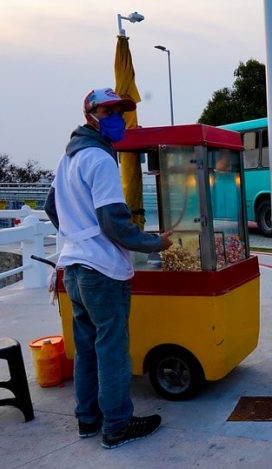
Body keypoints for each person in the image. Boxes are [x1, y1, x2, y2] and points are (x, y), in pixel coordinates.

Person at [44, 88, 173, 449]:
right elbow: (114, 223)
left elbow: (51, 206)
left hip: (74, 268)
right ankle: (117, 425)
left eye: (121, 110)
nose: (118, 117)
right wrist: (155, 243)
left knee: (86, 348)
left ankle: (88, 420)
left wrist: (76, 235)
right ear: (91, 116)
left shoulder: (67, 158)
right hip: (101, 271)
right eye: (109, 110)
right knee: (112, 349)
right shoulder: (100, 160)